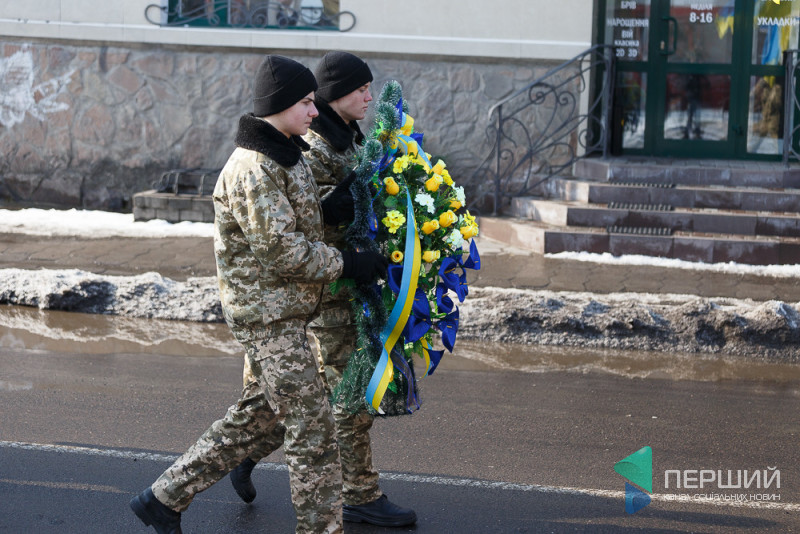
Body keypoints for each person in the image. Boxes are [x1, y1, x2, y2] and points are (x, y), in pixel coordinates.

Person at [129, 54, 387, 534]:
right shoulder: (254, 168)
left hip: (286, 309)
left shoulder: (285, 153)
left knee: (258, 420)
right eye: (306, 102)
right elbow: (284, 253)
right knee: (313, 432)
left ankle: (163, 498)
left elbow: (300, 223)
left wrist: (336, 208)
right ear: (280, 105)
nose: (314, 111)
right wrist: (350, 264)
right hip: (267, 316)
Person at [227, 51, 418, 528]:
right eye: (360, 89)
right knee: (346, 396)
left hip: (344, 286)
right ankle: (360, 493)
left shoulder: (348, 139)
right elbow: (295, 228)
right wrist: (339, 210)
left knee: (296, 403)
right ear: (334, 96)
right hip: (323, 292)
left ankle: (242, 452)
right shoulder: (311, 146)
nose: (369, 97)